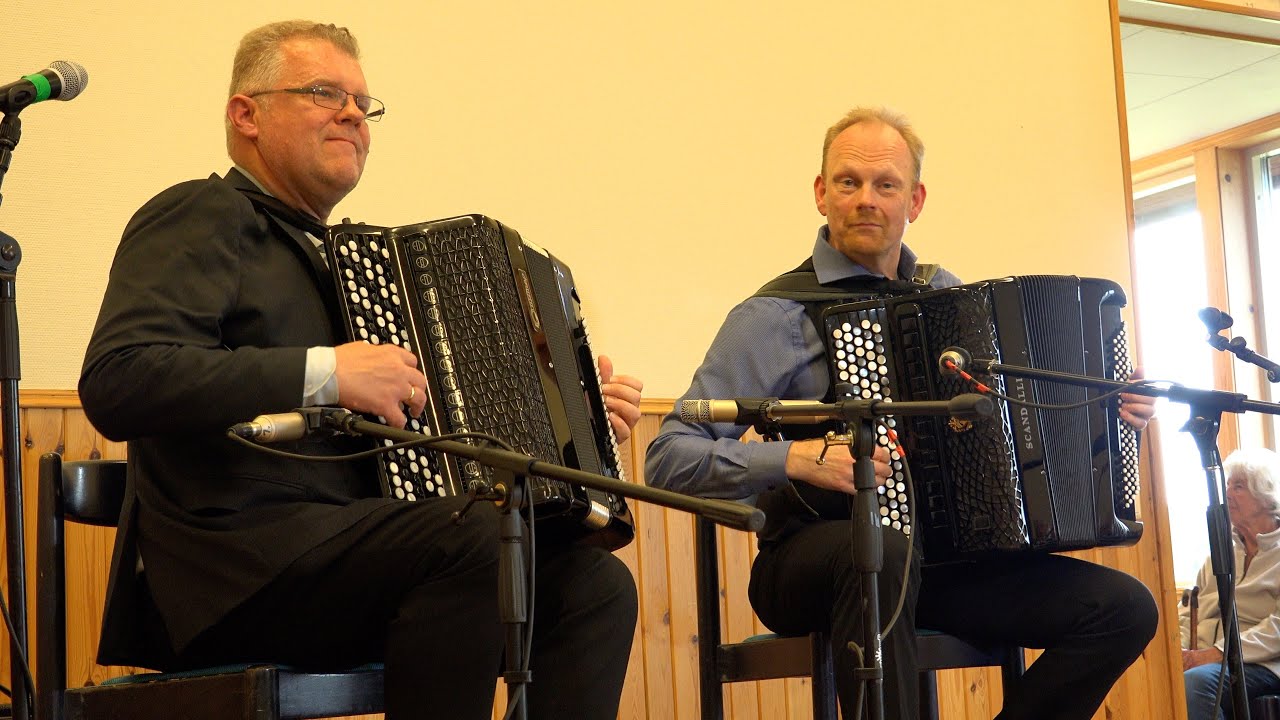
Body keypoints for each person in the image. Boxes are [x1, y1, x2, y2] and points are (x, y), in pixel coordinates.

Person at [79, 20, 643, 720]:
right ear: (245, 114)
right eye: (324, 92)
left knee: (596, 585)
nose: (353, 113)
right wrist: (325, 373)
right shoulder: (201, 214)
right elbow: (120, 378)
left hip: (366, 558)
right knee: (471, 538)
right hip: (238, 568)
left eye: (363, 103)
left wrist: (575, 413)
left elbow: (420, 434)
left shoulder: (362, 269)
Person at [645, 106, 1160, 719]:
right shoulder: (773, 315)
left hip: (942, 564)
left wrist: (1106, 414)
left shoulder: (951, 301)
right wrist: (796, 458)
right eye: (848, 182)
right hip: (810, 558)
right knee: (881, 550)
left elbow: (1012, 434)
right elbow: (668, 455)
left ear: (914, 201)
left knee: (1123, 609)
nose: (866, 199)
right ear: (821, 194)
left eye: (885, 185)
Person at [1181, 447, 1280, 719]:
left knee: (1196, 684)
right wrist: (1176, 652)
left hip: (1263, 664)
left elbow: (1277, 630)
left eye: (1238, 486)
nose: (1226, 493)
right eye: (1227, 484)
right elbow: (1188, 612)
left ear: (1266, 496)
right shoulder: (1218, 556)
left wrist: (1217, 653)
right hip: (1209, 660)